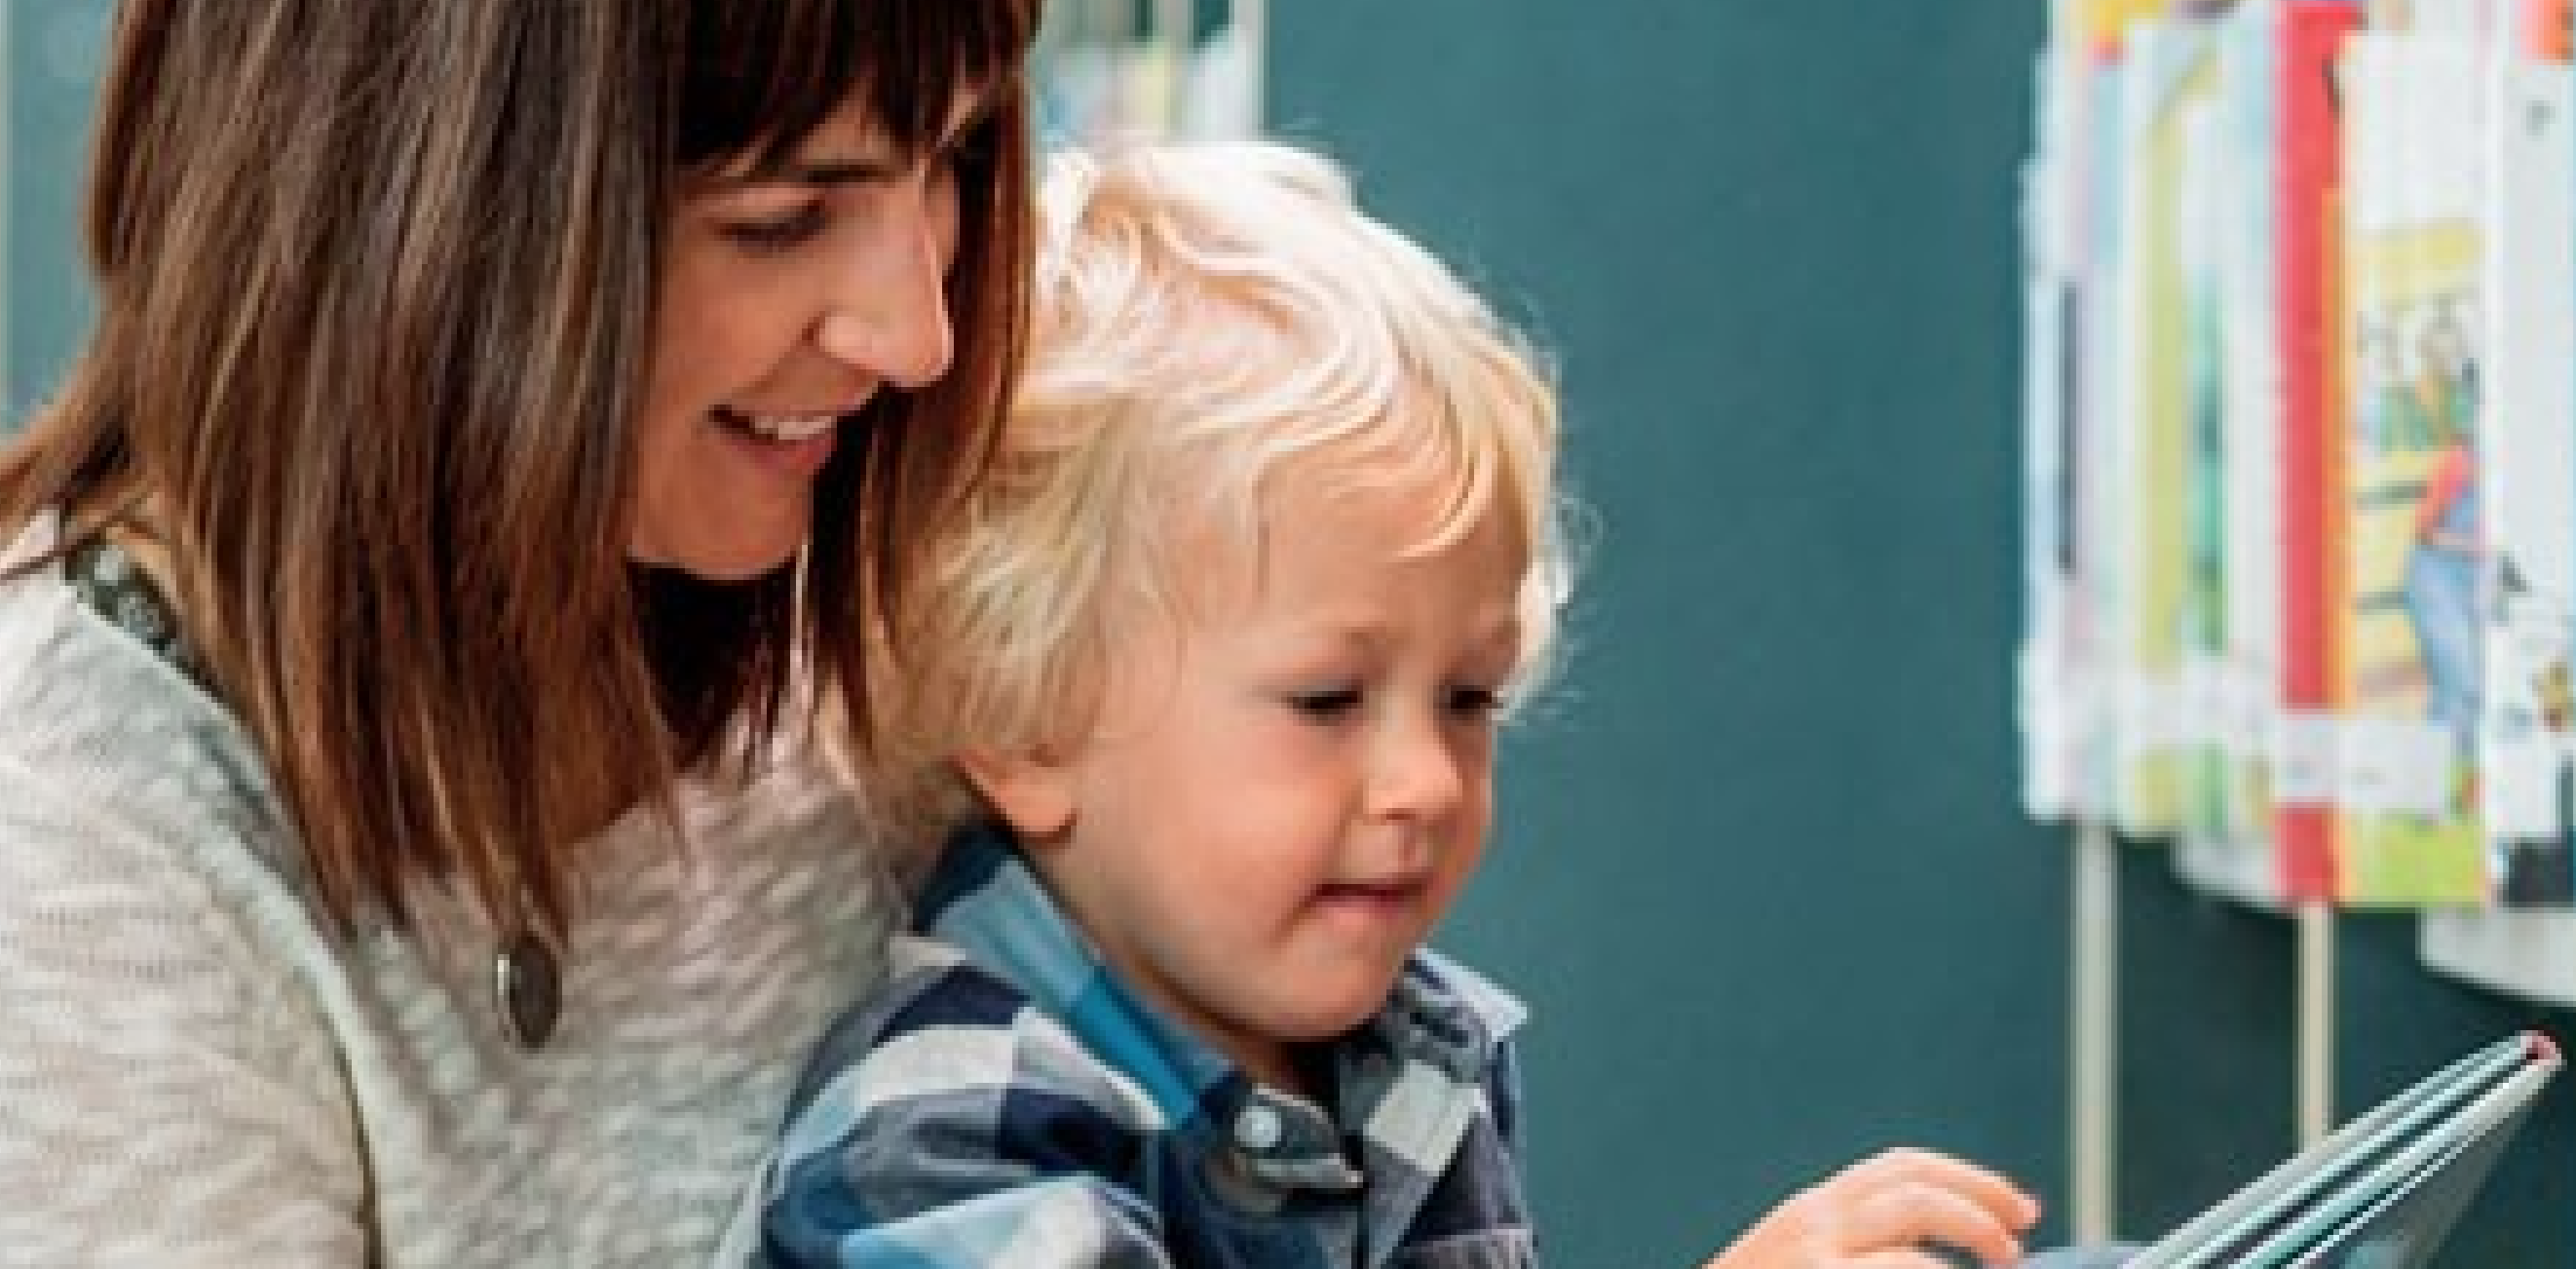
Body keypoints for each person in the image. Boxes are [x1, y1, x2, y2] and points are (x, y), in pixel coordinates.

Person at [750, 140, 2068, 1269]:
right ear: (1024, 714)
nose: (1426, 781)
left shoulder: (1412, 1057)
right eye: (1327, 698)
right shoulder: (950, 1130)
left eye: (1470, 696)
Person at [0, 0, 1038, 1262]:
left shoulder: (808, 626)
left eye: (958, 158)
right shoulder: (74, 869)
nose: (918, 333)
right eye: (781, 219)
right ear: (402, 211)